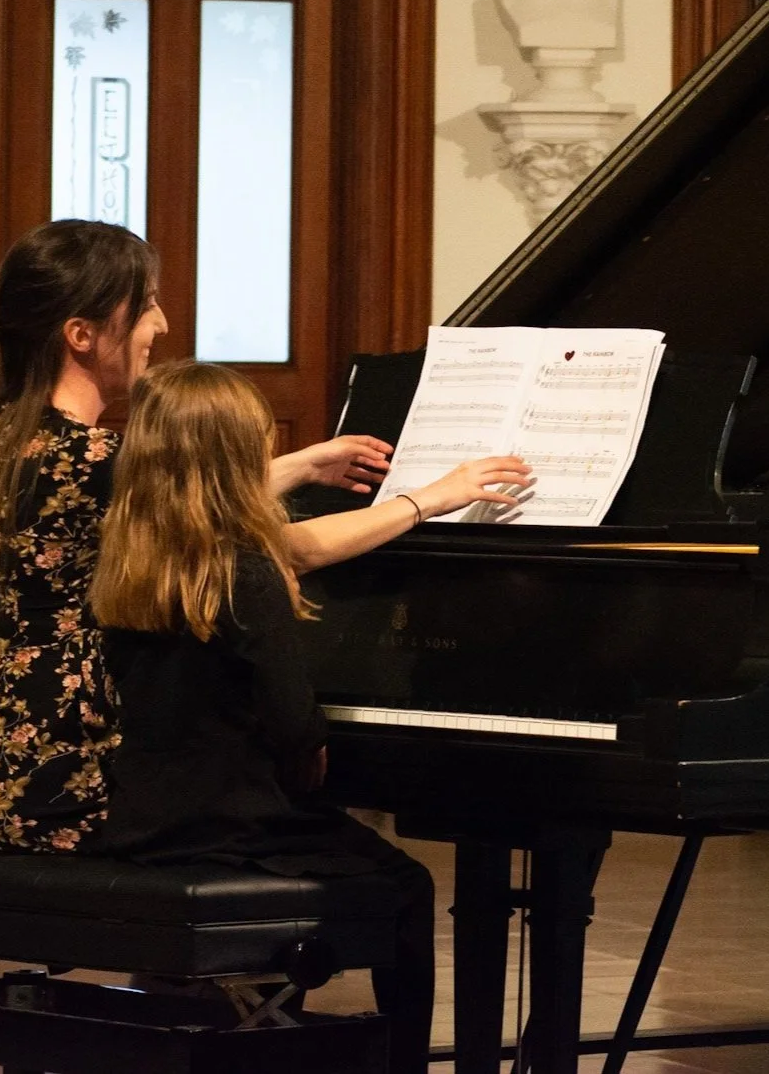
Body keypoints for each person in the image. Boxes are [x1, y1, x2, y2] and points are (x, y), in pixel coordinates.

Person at [0, 219, 424, 850]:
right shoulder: (100, 460)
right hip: (73, 778)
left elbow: (165, 500)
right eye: (146, 305)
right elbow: (283, 548)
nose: (160, 324)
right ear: (81, 334)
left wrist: (300, 464)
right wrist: (426, 500)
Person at [89, 359, 528, 1074]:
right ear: (241, 460)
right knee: (407, 886)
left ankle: (257, 1027)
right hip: (235, 826)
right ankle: (397, 1063)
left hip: (148, 818)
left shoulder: (130, 553)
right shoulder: (249, 569)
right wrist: (314, 743)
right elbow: (294, 724)